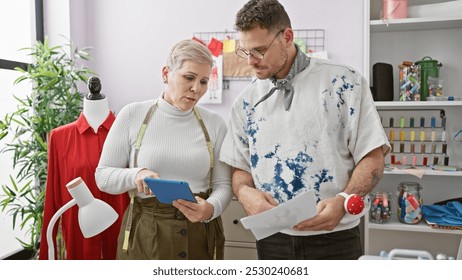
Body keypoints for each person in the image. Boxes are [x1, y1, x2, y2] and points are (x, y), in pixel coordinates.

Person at [219, 0, 390, 260]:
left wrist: (344, 199)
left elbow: (373, 158)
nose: (251, 62)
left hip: (336, 237)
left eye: (260, 50)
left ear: (287, 37)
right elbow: (240, 168)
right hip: (272, 238)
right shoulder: (246, 101)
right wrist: (245, 194)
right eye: (245, 52)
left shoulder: (345, 82)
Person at [95, 39, 233, 260]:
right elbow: (103, 177)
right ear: (166, 73)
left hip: (201, 232)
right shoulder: (132, 115)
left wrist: (210, 209)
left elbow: (223, 185)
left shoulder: (215, 124)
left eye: (204, 81)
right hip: (146, 234)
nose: (196, 89)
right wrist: (136, 174)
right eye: (189, 77)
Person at [40, 77, 129, 260]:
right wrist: (46, 258)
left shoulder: (127, 133)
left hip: (122, 232)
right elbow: (52, 198)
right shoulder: (60, 137)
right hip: (78, 235)